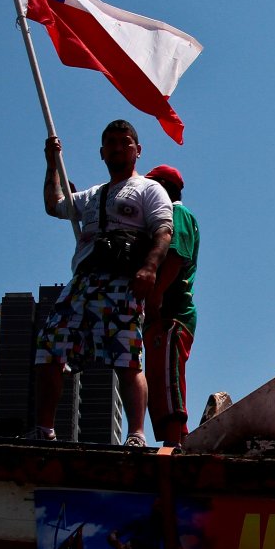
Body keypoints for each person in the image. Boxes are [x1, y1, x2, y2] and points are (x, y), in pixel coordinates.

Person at [30, 120, 172, 447]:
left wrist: (149, 268)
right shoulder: (94, 195)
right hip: (83, 281)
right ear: (102, 153)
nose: (118, 148)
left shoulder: (149, 189)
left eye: (125, 142)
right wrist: (52, 163)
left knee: (127, 357)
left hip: (121, 281)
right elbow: (55, 205)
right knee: (50, 347)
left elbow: (164, 231)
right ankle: (44, 430)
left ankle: (136, 434)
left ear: (138, 150)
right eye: (111, 143)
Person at [143, 164, 200, 447]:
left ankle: (175, 442)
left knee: (168, 375)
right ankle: (175, 439)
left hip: (173, 312)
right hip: (162, 313)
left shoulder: (177, 213)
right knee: (158, 375)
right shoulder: (165, 218)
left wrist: (156, 295)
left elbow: (176, 257)